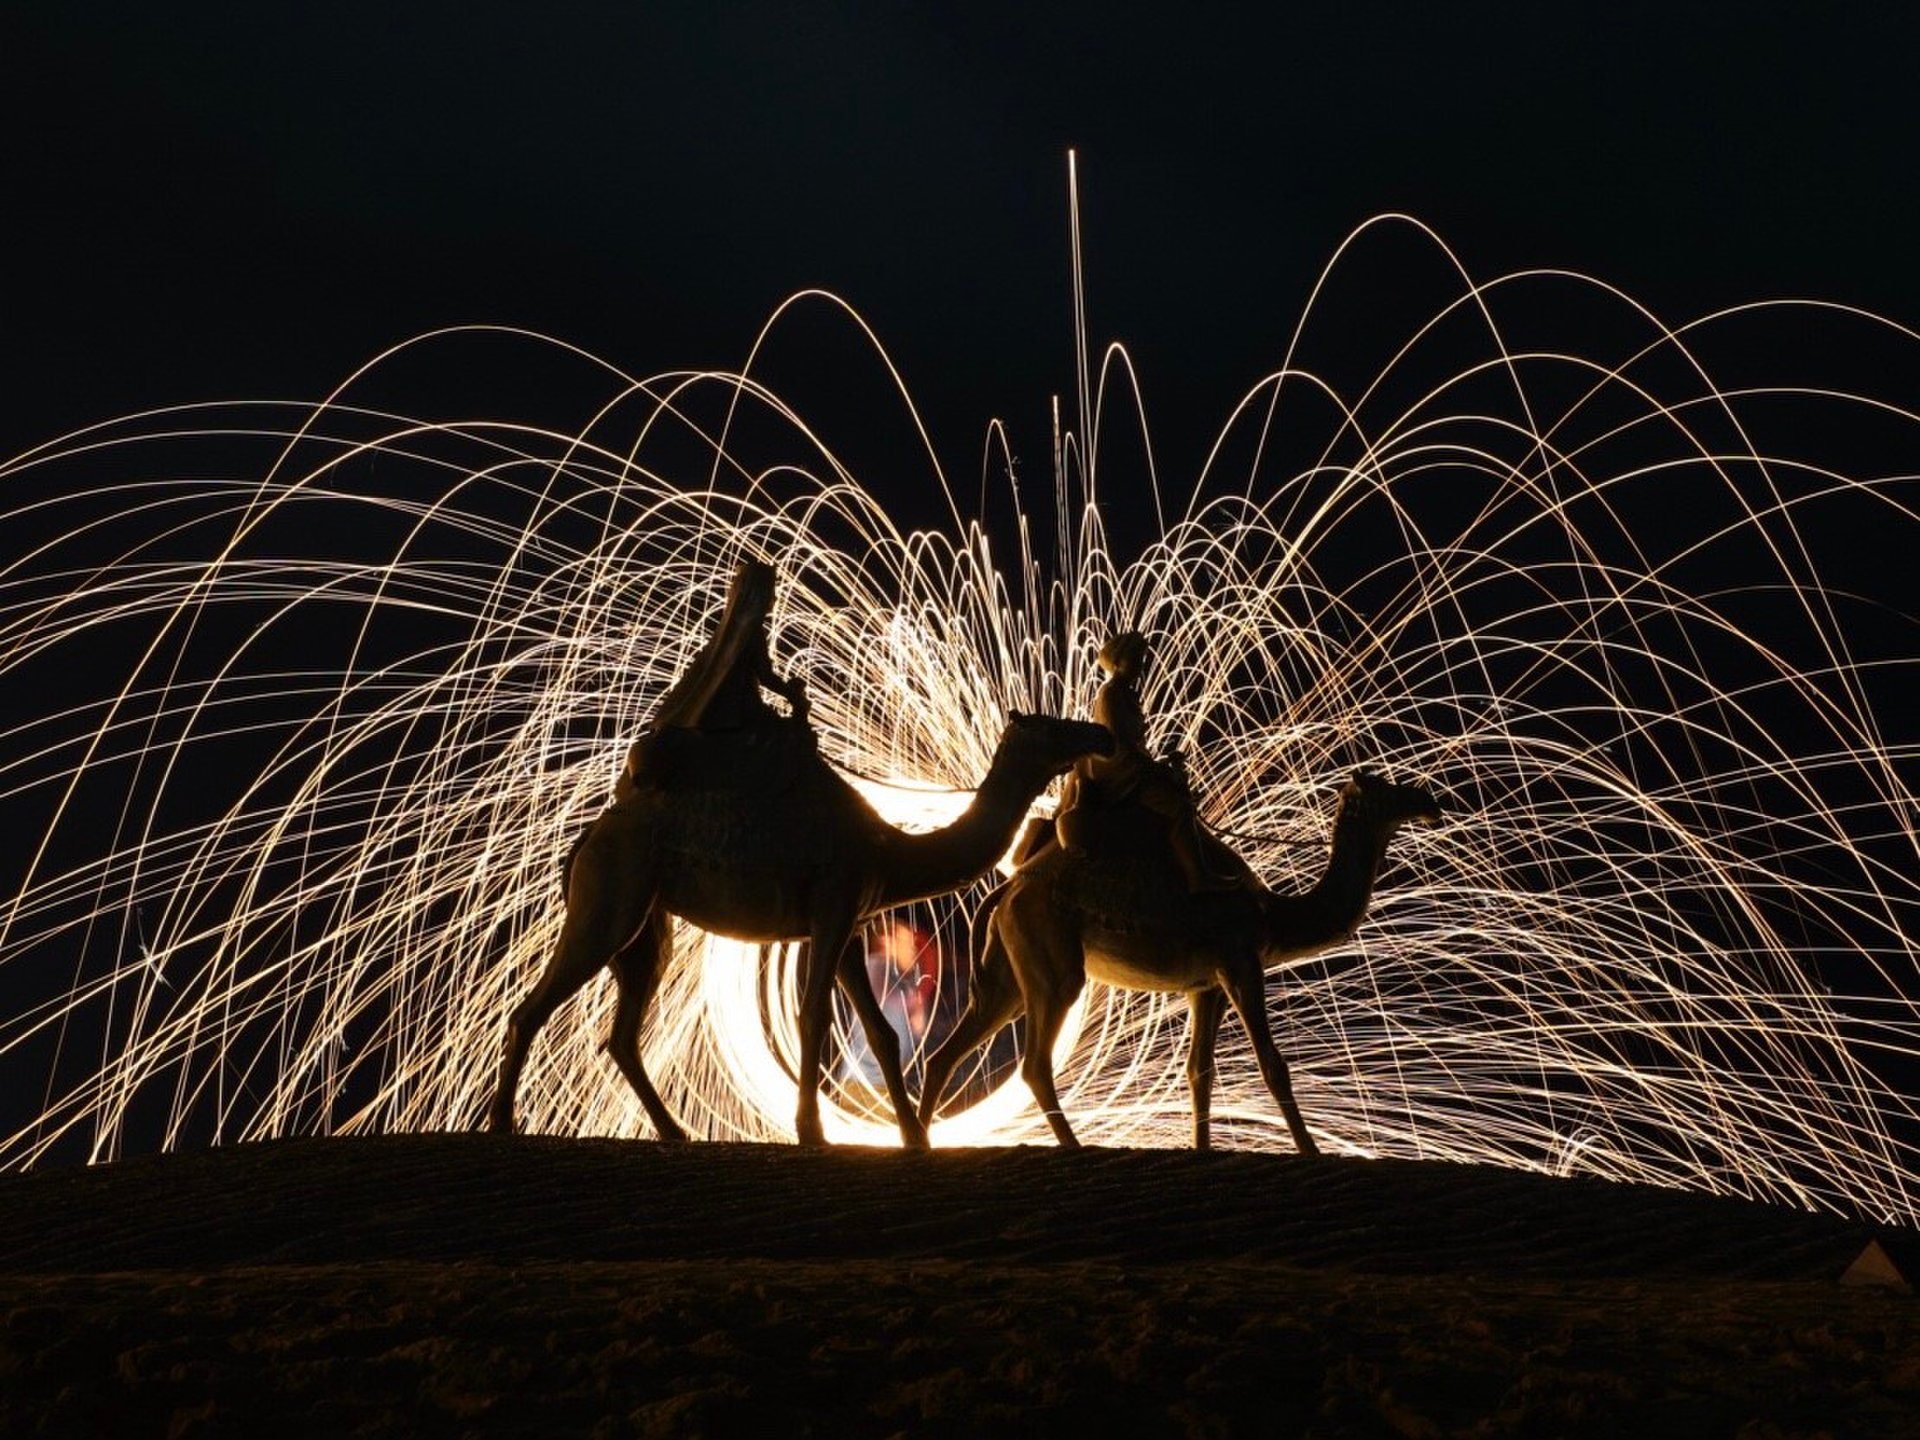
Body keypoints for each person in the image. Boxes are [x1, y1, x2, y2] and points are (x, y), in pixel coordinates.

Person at [616, 558, 811, 799]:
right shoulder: (752, 633)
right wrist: (796, 699)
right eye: (772, 592)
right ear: (758, 594)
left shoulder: (726, 631)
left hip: (719, 710)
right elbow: (767, 677)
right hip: (740, 712)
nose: (775, 599)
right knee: (784, 743)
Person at [1056, 630, 1234, 890]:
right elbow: (1118, 745)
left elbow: (1135, 745)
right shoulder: (1111, 694)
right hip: (1116, 770)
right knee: (1178, 808)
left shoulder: (1127, 695)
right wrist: (1157, 770)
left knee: (1180, 794)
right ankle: (1199, 878)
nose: (1140, 665)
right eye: (1135, 659)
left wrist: (1161, 764)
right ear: (1117, 661)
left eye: (1141, 659)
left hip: (1130, 766)